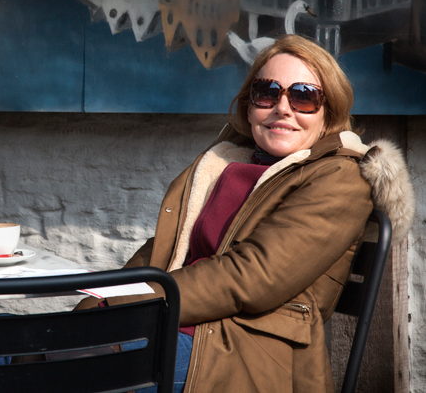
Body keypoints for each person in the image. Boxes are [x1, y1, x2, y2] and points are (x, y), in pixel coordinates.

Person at [74, 34, 415, 392]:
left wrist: (128, 302)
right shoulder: (224, 163)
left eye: (303, 97)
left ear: (328, 113)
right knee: (39, 345)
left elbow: (252, 277)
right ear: (249, 106)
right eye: (267, 92)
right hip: (175, 326)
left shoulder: (338, 178)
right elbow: (165, 248)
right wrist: (101, 303)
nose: (283, 108)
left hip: (247, 354)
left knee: (70, 364)